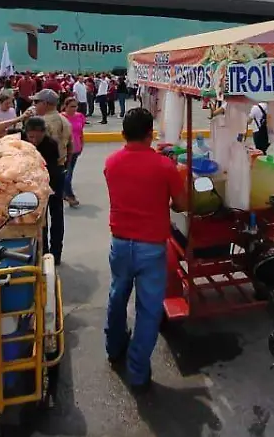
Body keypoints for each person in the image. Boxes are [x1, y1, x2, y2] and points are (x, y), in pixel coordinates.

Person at [103, 108, 188, 391]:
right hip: (151, 246)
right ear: (150, 134)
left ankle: (114, 348)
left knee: (117, 296)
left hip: (120, 242)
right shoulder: (165, 167)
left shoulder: (111, 162)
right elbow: (180, 204)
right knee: (148, 311)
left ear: (123, 133)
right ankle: (138, 373)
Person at [21, 116, 66, 262]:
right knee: (41, 220)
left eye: (37, 137)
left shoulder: (50, 144)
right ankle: (44, 251)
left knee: (57, 216)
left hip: (52, 182)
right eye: (31, 136)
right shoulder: (22, 141)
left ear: (44, 133)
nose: (34, 140)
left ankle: (56, 253)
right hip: (33, 185)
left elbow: (50, 169)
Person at [61, 96, 87, 207]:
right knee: (68, 174)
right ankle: (70, 196)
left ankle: (63, 192)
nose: (74, 109)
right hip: (65, 150)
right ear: (65, 107)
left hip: (76, 149)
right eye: (71, 106)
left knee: (68, 174)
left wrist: (82, 145)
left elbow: (80, 132)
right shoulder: (61, 118)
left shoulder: (80, 116)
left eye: (75, 106)